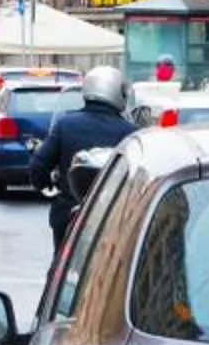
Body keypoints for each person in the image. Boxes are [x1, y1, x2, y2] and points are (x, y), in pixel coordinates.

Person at [26, 65, 134, 251]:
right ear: (115, 92)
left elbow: (38, 165)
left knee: (60, 267)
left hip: (68, 212)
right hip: (111, 215)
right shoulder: (130, 133)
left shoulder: (65, 125)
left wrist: (47, 186)